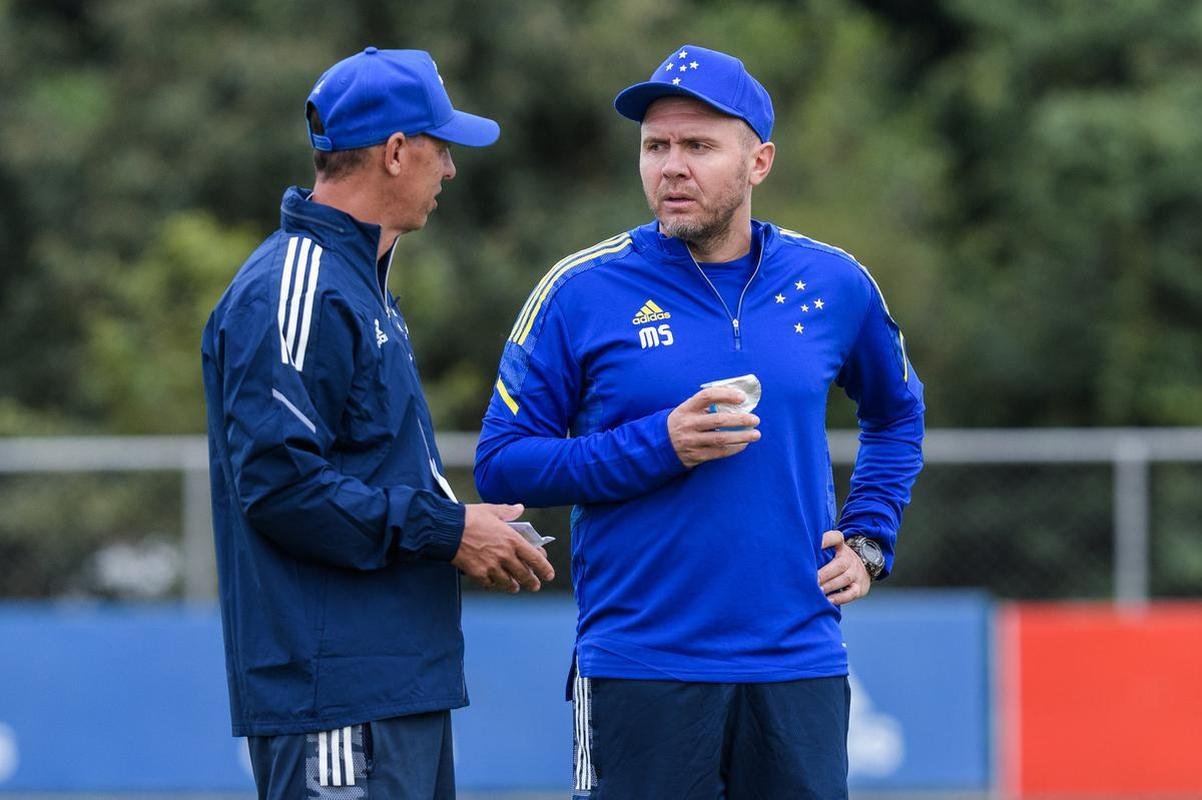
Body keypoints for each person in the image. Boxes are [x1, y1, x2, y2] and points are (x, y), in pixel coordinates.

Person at [474, 44, 924, 799]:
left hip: (798, 663)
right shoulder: (581, 289)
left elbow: (896, 414)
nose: (671, 166)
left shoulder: (833, 284)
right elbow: (504, 462)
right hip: (640, 663)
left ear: (759, 162)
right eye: (656, 146)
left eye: (698, 145)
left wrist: (871, 535)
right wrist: (662, 444)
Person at [201, 47, 554, 800]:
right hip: (336, 694)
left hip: (393, 685)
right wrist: (448, 531)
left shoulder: (358, 284)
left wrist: (460, 523)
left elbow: (361, 474)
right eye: (442, 146)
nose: (450, 170)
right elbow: (280, 487)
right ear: (396, 152)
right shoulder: (293, 285)